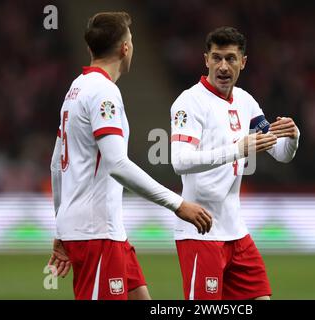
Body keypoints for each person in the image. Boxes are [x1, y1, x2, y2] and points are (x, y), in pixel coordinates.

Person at [48, 11, 212, 300]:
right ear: (125, 48)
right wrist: (178, 204)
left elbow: (55, 165)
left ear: (90, 48)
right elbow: (117, 164)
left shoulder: (76, 88)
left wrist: (61, 226)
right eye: (131, 40)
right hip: (94, 232)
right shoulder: (103, 92)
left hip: (106, 230)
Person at [170, 26, 300, 300]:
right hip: (200, 233)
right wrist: (237, 149)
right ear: (206, 60)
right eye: (216, 58)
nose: (223, 66)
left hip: (236, 232)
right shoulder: (188, 103)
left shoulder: (246, 101)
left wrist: (293, 137)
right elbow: (180, 161)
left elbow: (280, 153)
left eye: (230, 58)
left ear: (243, 61)